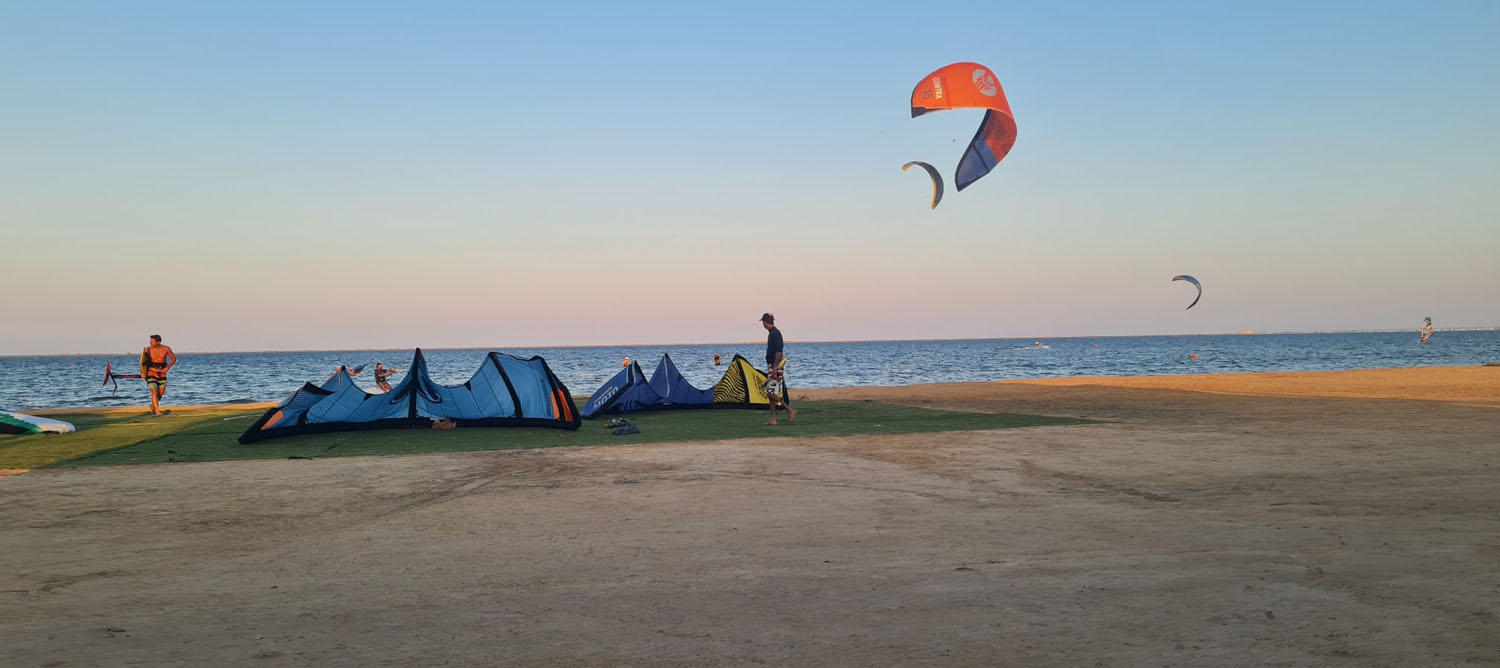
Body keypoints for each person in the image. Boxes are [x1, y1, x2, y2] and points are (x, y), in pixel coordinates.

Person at [759, 313, 796, 425]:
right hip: (773, 365)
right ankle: (773, 419)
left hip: (776, 366)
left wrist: (775, 367)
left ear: (765, 322)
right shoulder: (772, 333)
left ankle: (790, 410)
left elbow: (779, 351)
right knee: (770, 392)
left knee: (770, 394)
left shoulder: (775, 333)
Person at [139, 334, 176, 416]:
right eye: (150, 341)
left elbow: (173, 358)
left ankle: (153, 406)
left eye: (152, 341)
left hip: (162, 372)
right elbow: (142, 362)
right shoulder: (147, 350)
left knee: (161, 393)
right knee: (154, 392)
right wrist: (142, 373)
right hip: (151, 372)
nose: (150, 343)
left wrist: (168, 368)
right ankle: (157, 411)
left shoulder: (166, 348)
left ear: (158, 342)